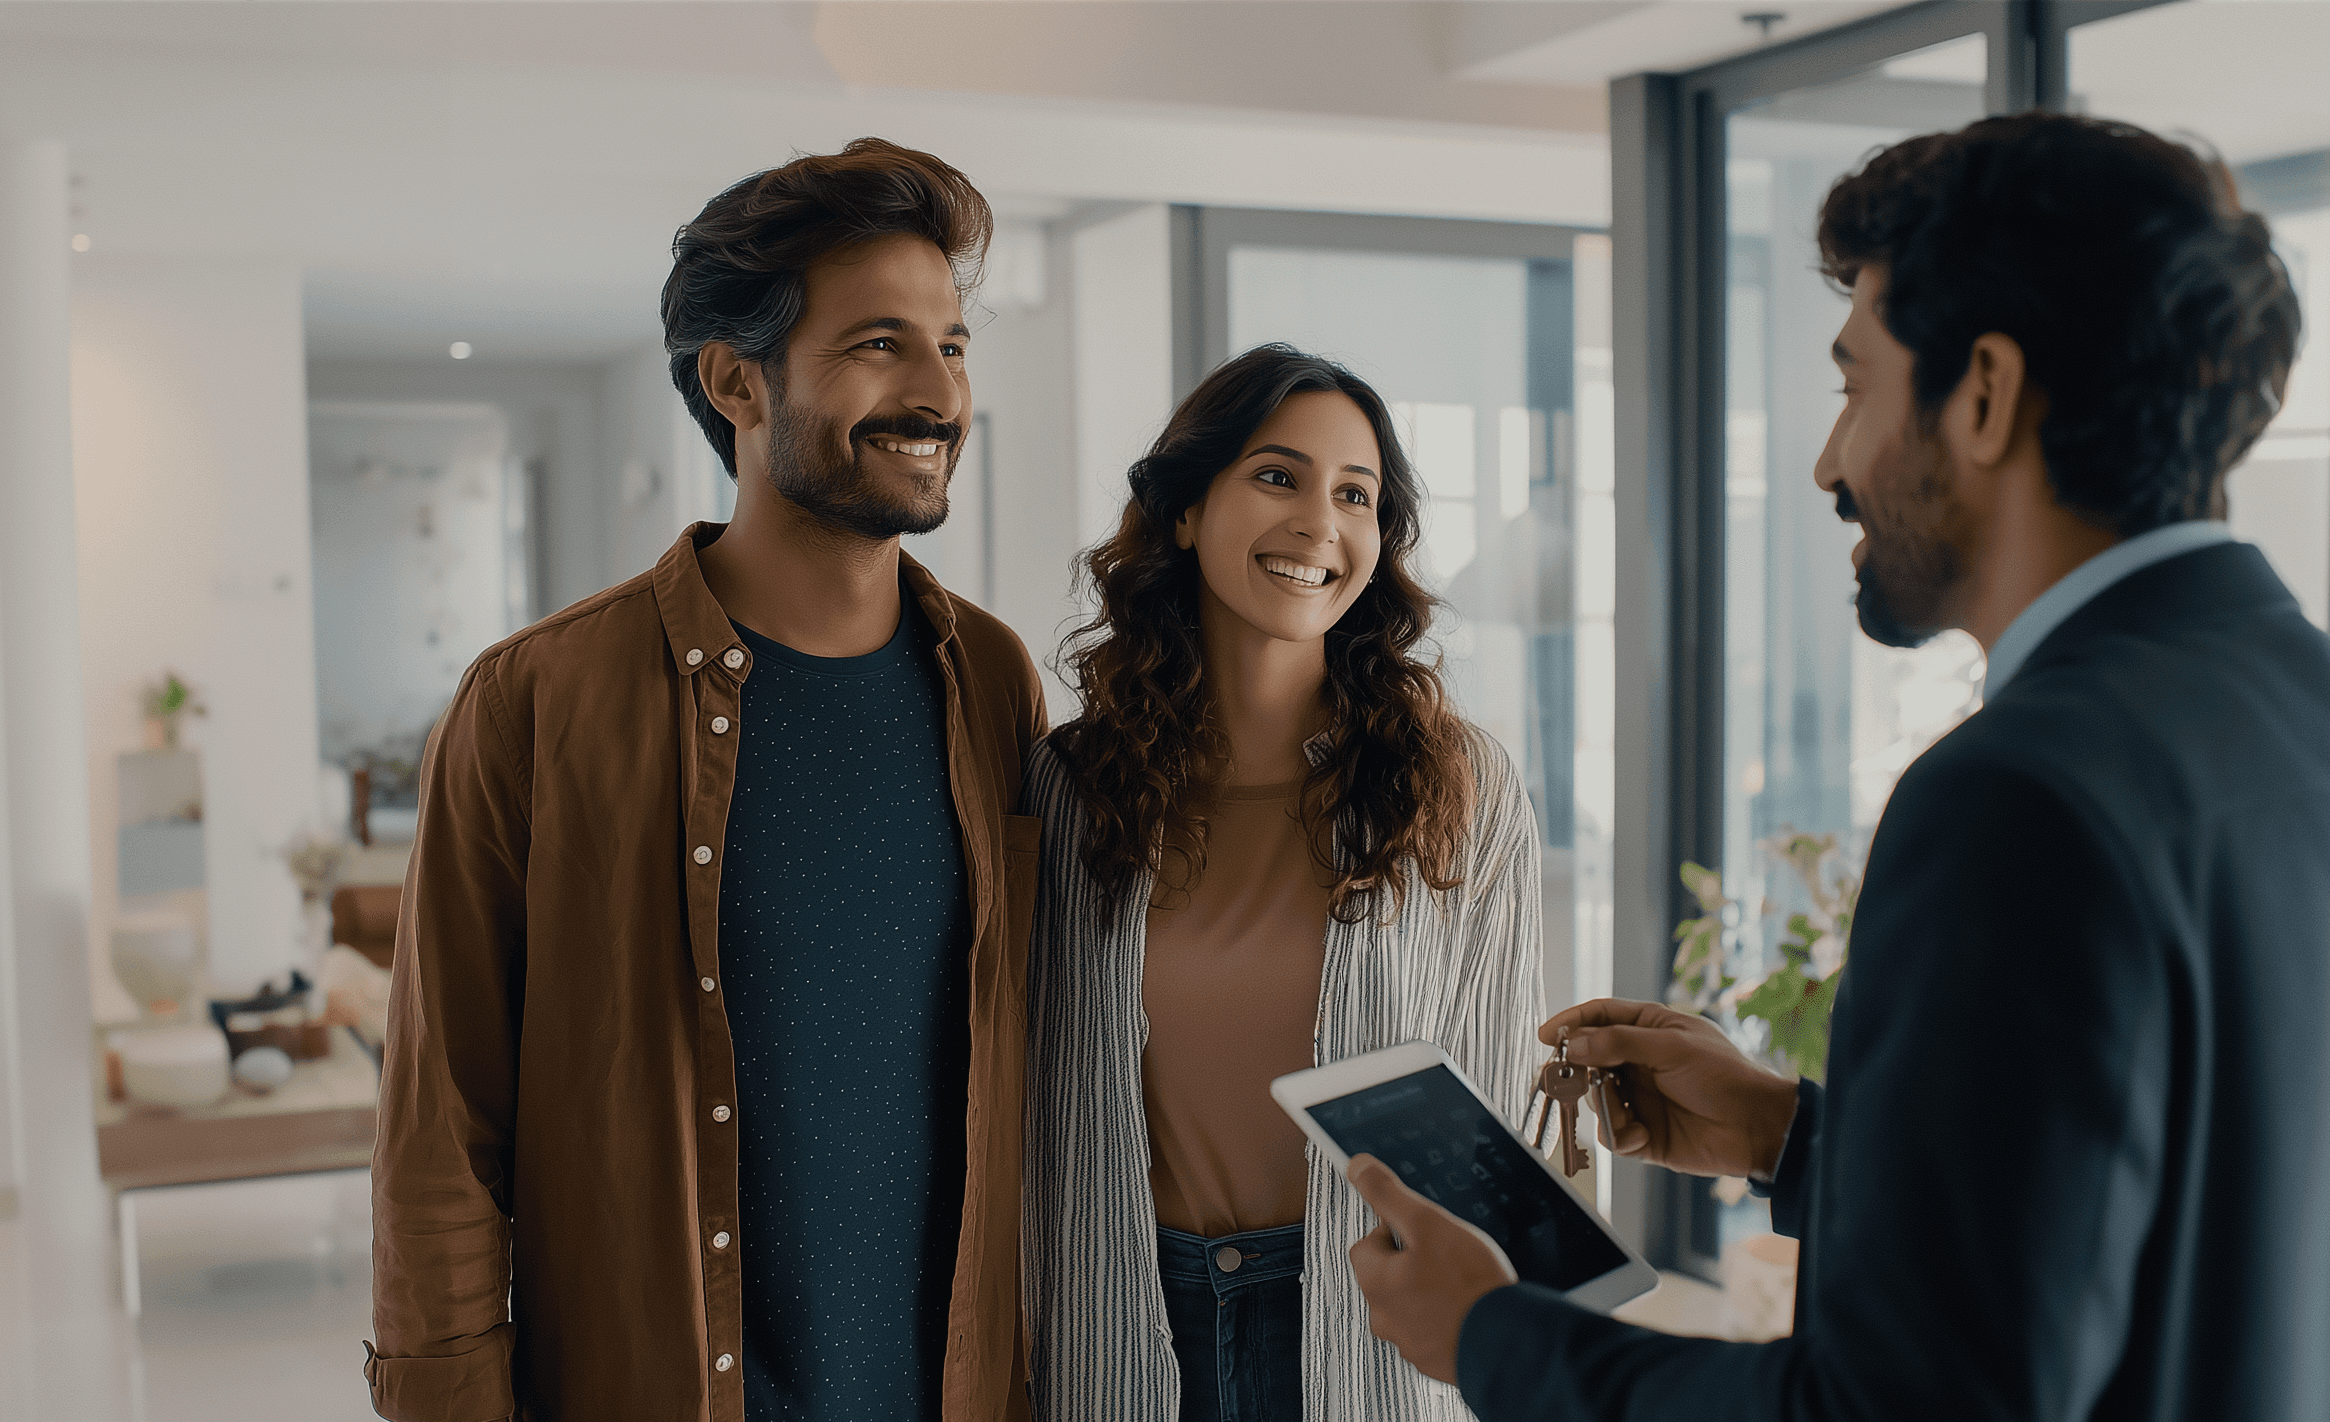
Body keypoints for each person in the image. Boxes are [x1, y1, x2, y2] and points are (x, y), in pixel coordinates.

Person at [1345, 111, 2330, 1420]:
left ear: (1981, 392)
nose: (1829, 463)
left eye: (1853, 385)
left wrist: (1491, 1333)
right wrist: (1799, 1136)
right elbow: (2181, 1224)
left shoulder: (2016, 793)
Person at [365, 138, 1047, 1422]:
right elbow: (440, 1138)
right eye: (879, 345)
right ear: (737, 382)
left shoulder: (993, 685)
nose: (939, 393)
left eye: (952, 346)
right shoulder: (535, 704)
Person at [1023, 344, 1545, 1422]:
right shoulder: (1070, 788)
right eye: (1277, 476)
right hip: (1124, 1315)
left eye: (1355, 494)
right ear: (1182, 511)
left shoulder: (1462, 784)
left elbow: (1487, 1104)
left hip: (1366, 1326)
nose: (1320, 522)